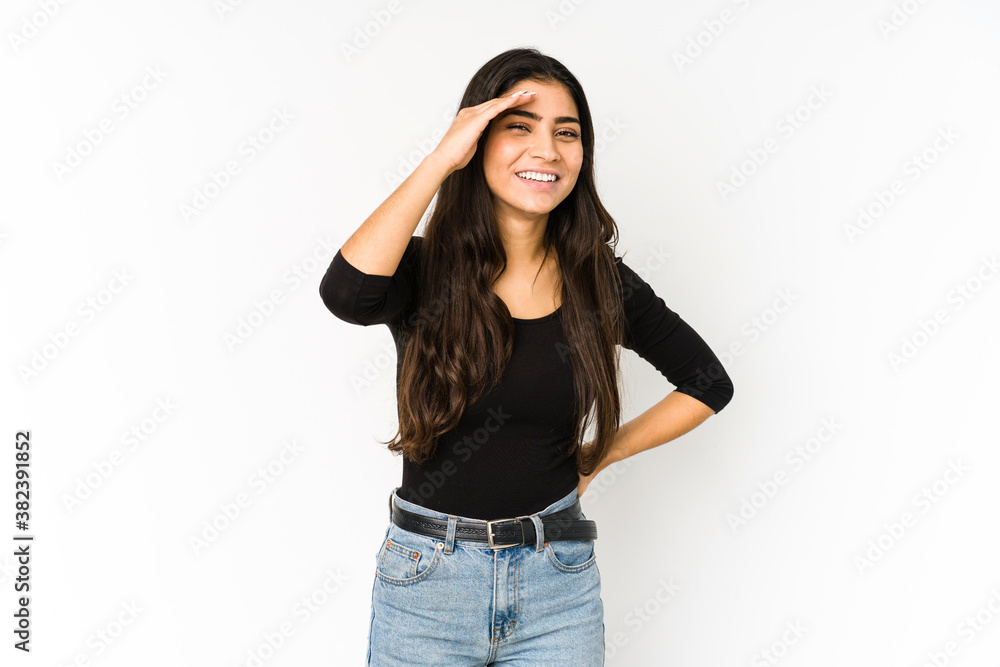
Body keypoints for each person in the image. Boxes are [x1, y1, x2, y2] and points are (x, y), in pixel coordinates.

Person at [319, 47, 734, 667]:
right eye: (520, 127)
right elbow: (346, 294)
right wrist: (440, 160)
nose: (547, 151)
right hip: (426, 584)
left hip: (558, 584)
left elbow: (707, 383)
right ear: (477, 142)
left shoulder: (602, 283)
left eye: (566, 134)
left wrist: (602, 454)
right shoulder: (423, 270)